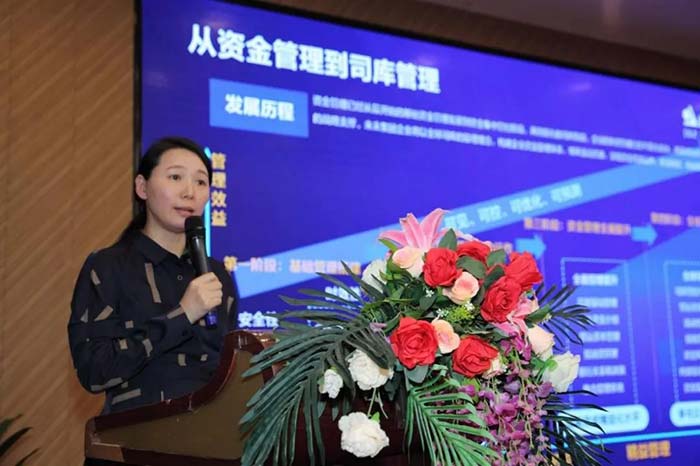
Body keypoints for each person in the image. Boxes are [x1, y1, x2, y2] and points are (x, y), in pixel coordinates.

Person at [68, 137, 238, 464]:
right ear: (142, 187)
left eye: (201, 182)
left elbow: (227, 370)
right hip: (134, 447)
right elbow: (94, 370)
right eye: (175, 177)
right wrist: (183, 314)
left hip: (210, 447)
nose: (189, 192)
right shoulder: (108, 267)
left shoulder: (217, 275)